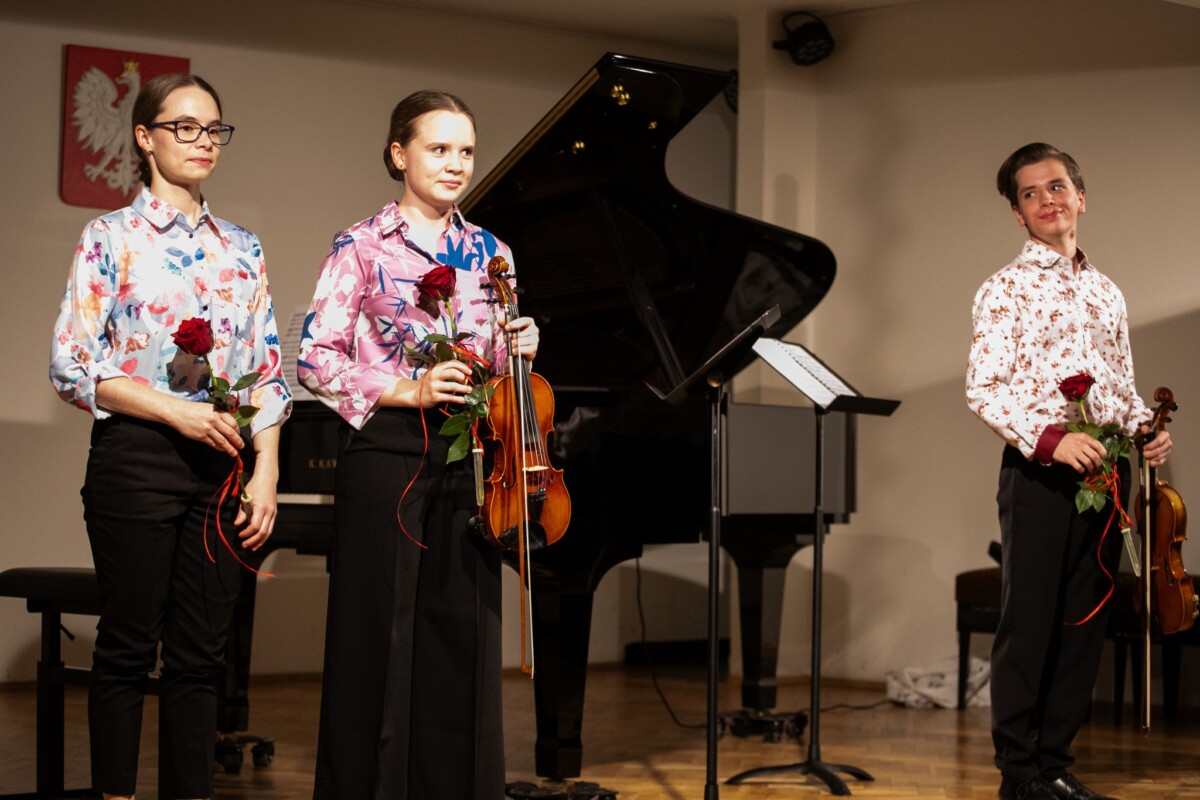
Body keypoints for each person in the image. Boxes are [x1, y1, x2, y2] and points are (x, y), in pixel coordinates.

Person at [49, 73, 292, 800]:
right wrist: (173, 411)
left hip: (223, 465)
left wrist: (267, 471)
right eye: (184, 126)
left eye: (213, 128)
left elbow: (266, 374)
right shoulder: (110, 238)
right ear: (145, 137)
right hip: (137, 459)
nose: (203, 140)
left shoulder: (243, 247)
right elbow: (72, 364)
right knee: (128, 646)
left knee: (201, 656)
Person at [298, 90, 539, 800]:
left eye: (465, 150)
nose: (455, 163)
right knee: (377, 639)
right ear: (399, 154)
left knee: (462, 642)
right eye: (439, 149)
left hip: (471, 459)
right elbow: (314, 359)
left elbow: (495, 363)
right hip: (388, 451)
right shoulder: (360, 246)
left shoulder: (493, 252)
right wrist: (408, 389)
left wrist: (520, 347)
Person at [967, 143, 1173, 800]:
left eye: (1056, 186)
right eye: (1030, 193)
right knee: (1029, 624)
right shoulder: (1004, 289)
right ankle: (1019, 775)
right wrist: (1053, 441)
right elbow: (985, 389)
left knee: (1085, 623)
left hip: (1105, 475)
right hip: (1041, 474)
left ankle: (1054, 764)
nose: (1046, 200)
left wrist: (1145, 430)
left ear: (1080, 197)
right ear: (1018, 214)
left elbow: (1119, 387)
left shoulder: (1106, 291)